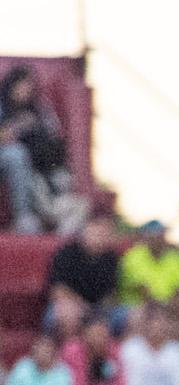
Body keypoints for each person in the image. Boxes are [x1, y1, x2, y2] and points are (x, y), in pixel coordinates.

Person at [1, 65, 69, 232]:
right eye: (21, 85)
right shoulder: (2, 105)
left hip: (38, 161)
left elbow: (55, 136)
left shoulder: (39, 107)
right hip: (9, 156)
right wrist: (18, 127)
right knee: (16, 154)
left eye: (29, 86)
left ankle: (55, 221)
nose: (25, 90)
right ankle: (23, 215)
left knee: (61, 176)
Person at [43, 212, 122, 321]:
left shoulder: (111, 259)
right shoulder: (66, 254)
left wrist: (99, 313)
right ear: (86, 231)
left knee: (130, 314)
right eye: (97, 233)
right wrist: (82, 307)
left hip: (99, 310)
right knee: (66, 312)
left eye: (106, 233)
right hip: (70, 305)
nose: (101, 237)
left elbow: (111, 294)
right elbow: (57, 291)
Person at [117, 220, 179, 309]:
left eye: (161, 234)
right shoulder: (132, 257)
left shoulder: (176, 258)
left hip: (171, 307)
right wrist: (163, 308)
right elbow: (142, 290)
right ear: (146, 237)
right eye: (155, 235)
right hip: (136, 308)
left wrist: (175, 306)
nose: (159, 239)